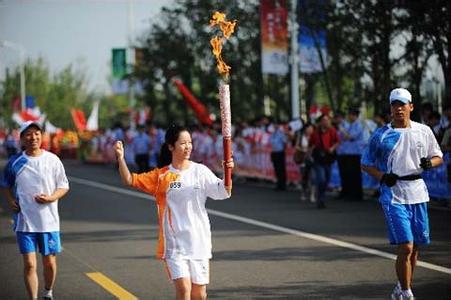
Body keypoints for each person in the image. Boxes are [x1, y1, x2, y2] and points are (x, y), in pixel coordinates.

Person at [114, 124, 233, 300]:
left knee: (199, 294)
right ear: (171, 146)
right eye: (183, 143)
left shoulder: (200, 171)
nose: (188, 147)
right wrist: (121, 158)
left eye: (190, 143)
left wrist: (228, 171)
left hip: (198, 242)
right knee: (184, 290)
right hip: (175, 245)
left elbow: (223, 192)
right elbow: (129, 179)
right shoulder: (162, 177)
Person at [361, 88, 443, 300]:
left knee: (415, 248)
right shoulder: (381, 135)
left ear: (411, 107)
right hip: (393, 193)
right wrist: (382, 176)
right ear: (390, 108)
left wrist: (429, 163)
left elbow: (438, 156)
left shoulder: (423, 131)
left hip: (417, 192)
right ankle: (407, 293)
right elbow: (365, 163)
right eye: (395, 105)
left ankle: (401, 285)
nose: (399, 108)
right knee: (405, 245)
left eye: (403, 104)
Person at [1, 121, 70, 300]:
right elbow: (5, 184)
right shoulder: (16, 161)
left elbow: (63, 186)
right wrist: (10, 200)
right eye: (29, 134)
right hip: (24, 221)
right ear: (22, 138)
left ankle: (48, 292)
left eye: (37, 133)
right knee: (30, 265)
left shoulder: (52, 160)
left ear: (42, 136)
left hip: (48, 221)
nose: (33, 137)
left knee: (49, 263)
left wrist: (52, 197)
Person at [309, 114, 339, 208]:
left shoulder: (332, 131)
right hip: (318, 158)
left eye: (327, 120)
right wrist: (309, 154)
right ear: (320, 122)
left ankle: (322, 196)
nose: (326, 122)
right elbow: (311, 144)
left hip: (328, 158)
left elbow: (337, 141)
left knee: (327, 179)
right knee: (321, 179)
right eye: (324, 120)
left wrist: (332, 148)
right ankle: (320, 199)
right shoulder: (315, 133)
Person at [336, 108, 365, 200]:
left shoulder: (358, 125)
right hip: (348, 152)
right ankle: (349, 193)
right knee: (348, 174)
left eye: (351, 115)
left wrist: (342, 130)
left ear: (355, 116)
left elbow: (351, 137)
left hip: (355, 153)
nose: (349, 117)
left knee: (355, 174)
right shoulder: (351, 125)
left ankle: (357, 194)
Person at [269, 121, 288, 191]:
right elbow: (270, 142)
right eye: (274, 125)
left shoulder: (281, 133)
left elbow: (285, 142)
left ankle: (283, 185)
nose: (275, 126)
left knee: (281, 169)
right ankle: (278, 184)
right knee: (276, 169)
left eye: (277, 125)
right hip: (274, 152)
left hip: (280, 152)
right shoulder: (273, 134)